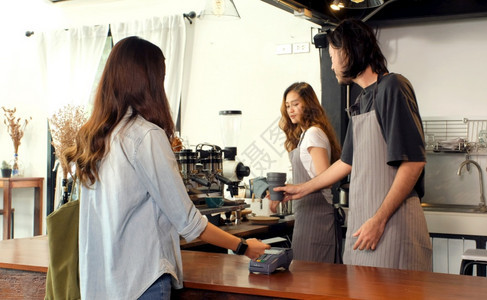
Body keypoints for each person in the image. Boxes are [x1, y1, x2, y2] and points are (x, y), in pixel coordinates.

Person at [65, 36, 270, 299]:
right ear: (149, 81)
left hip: (101, 286)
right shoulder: (145, 136)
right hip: (142, 282)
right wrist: (243, 246)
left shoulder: (94, 138)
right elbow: (189, 222)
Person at [275, 19, 432, 271]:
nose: (332, 64)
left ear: (348, 51)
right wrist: (302, 189)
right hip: (365, 224)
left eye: (333, 55)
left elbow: (413, 162)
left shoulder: (393, 87)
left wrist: (379, 220)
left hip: (391, 224)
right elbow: (346, 163)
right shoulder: (360, 101)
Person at [271, 82, 342, 263]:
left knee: (313, 280)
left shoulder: (313, 133)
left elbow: (326, 178)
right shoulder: (304, 135)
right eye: (287, 106)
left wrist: (295, 188)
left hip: (317, 218)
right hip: (306, 216)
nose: (291, 110)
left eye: (296, 104)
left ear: (308, 104)